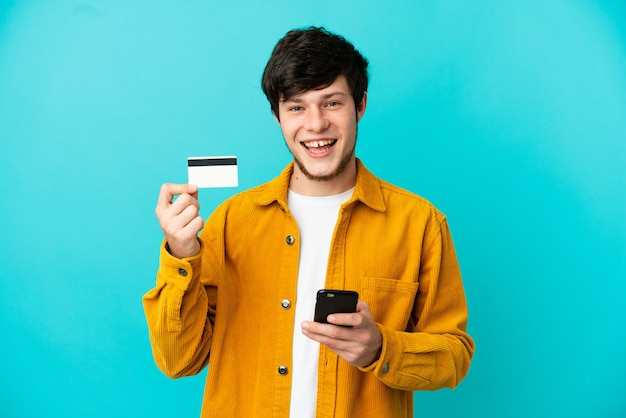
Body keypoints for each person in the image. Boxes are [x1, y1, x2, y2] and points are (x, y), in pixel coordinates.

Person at [143, 26, 474, 417]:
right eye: (297, 107)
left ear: (360, 105)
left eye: (332, 103)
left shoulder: (420, 224)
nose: (316, 125)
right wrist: (182, 255)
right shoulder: (231, 221)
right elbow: (178, 360)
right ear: (278, 117)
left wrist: (381, 348)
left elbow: (454, 356)